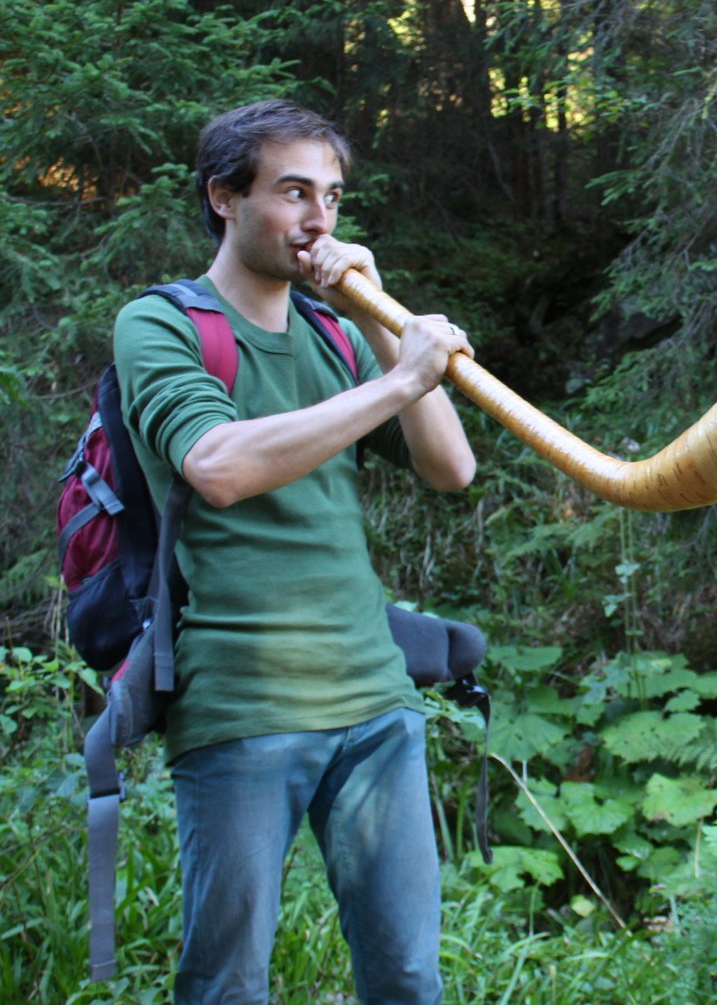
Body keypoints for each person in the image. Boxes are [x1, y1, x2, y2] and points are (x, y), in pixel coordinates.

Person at [113, 99, 477, 1003]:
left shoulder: (336, 334)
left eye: (333, 196)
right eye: (293, 192)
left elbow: (451, 468)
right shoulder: (160, 325)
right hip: (242, 707)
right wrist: (401, 376)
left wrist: (383, 324)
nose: (320, 219)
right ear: (224, 198)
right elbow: (218, 466)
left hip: (376, 702)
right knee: (229, 982)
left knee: (408, 975)